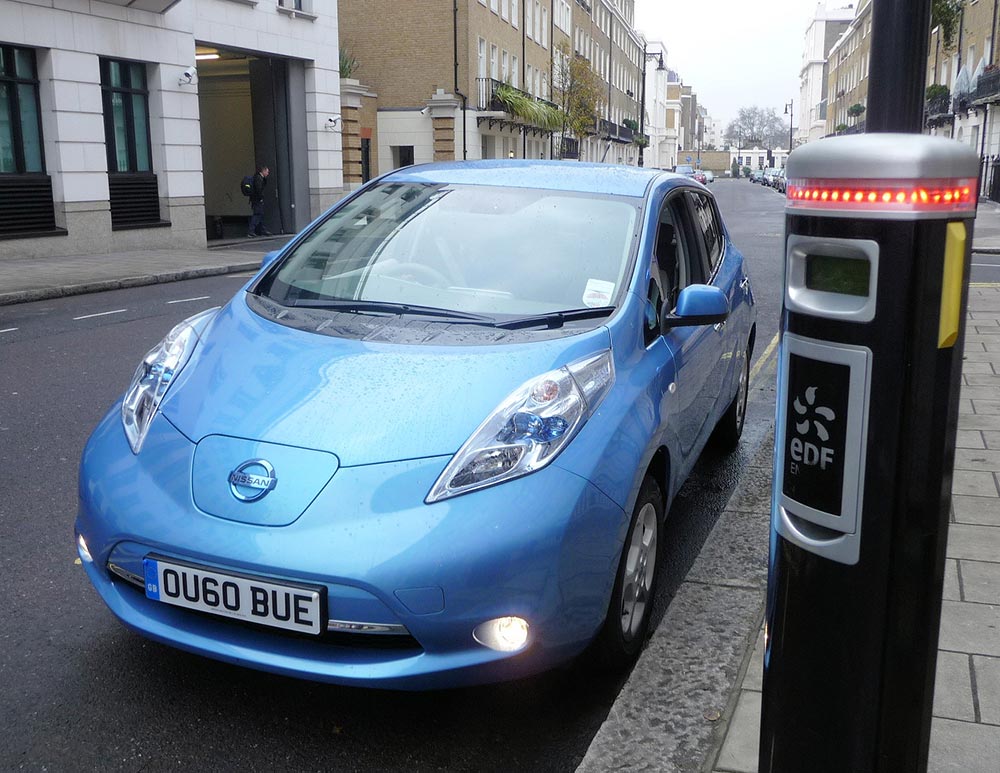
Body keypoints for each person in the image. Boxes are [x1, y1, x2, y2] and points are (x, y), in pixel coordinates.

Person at [247, 164, 271, 237]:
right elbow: (258, 190)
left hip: (256, 199)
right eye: (267, 172)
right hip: (257, 200)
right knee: (257, 214)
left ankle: (263, 230)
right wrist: (260, 198)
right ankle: (251, 231)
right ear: (263, 171)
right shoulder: (258, 178)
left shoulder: (259, 178)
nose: (268, 173)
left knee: (260, 215)